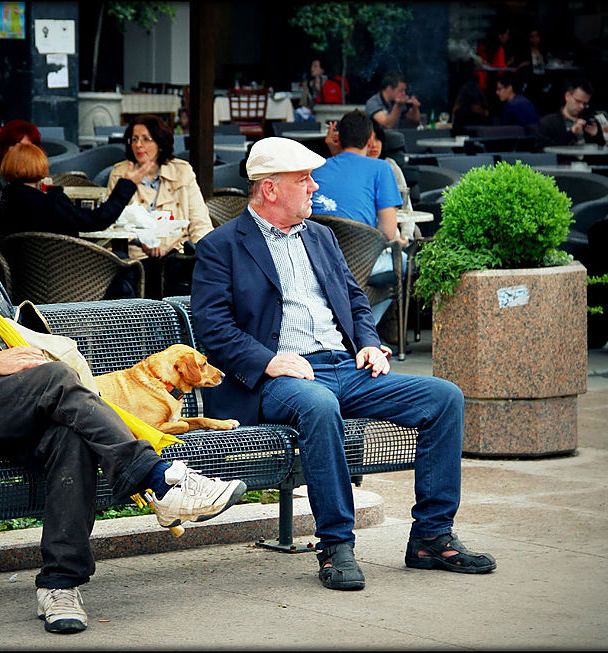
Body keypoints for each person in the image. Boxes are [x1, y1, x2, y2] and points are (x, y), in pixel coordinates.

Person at [0, 168, 246, 633]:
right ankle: (161, 480)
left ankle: (60, 585)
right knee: (55, 379)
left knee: (71, 434)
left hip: (5, 415)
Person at [191, 136, 496, 592]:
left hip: (346, 368)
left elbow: (354, 300)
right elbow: (212, 326)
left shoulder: (322, 235)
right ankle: (335, 545)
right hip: (278, 378)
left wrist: (370, 342)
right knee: (317, 406)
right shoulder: (222, 246)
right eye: (304, 179)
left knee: (443, 397)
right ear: (270, 189)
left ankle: (431, 536)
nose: (314, 187)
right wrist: (270, 361)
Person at [310, 111, 408, 326]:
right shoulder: (381, 168)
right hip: (361, 267)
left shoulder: (315, 168)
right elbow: (389, 233)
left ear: (338, 138)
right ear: (371, 139)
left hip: (318, 265)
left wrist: (333, 151)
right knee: (403, 261)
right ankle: (364, 328)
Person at [105, 114, 212, 298]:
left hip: (175, 252)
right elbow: (111, 223)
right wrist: (143, 240)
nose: (139, 145)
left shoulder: (182, 170)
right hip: (134, 253)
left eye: (146, 139)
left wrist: (210, 255)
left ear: (160, 144)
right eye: (135, 139)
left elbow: (199, 222)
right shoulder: (121, 173)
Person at [0, 141, 154, 239]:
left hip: (15, 278)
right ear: (41, 167)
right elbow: (96, 220)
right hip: (66, 275)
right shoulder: (49, 204)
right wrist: (127, 185)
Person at [534, 78, 604, 151]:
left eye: (585, 103)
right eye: (578, 101)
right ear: (567, 96)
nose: (581, 106)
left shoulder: (589, 123)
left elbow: (602, 153)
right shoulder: (548, 123)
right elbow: (544, 151)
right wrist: (571, 134)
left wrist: (596, 136)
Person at [0, 119, 42, 191]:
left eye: (28, 147)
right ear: (4, 147)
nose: (24, 152)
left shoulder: (38, 175)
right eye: (18, 146)